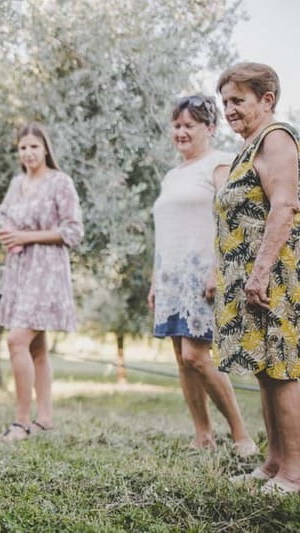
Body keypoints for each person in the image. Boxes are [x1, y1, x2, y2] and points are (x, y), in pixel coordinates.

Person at [148, 94, 257, 456]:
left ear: (209, 128)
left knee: (198, 356)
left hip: (203, 272)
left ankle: (241, 436)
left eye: (189, 125)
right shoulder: (170, 176)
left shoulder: (219, 163)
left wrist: (219, 268)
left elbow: (230, 218)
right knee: (182, 358)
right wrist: (154, 281)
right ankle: (203, 435)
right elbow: (164, 231)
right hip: (170, 277)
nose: (181, 132)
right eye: (176, 125)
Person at [214, 62, 300, 494]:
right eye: (225, 101)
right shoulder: (249, 146)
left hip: (276, 275)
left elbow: (284, 207)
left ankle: (294, 473)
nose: (228, 109)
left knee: (283, 369)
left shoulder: (276, 138)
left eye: (238, 100)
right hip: (250, 277)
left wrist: (260, 272)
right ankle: (272, 463)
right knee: (266, 369)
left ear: (267, 100)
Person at [0, 122, 84, 443]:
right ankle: (44, 419)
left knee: (16, 340)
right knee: (36, 348)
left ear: (45, 148)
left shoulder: (60, 182)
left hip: (47, 272)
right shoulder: (17, 184)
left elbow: (73, 231)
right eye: (22, 148)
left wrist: (26, 236)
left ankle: (21, 422)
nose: (28, 153)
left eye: (33, 146)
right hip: (19, 271)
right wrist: (6, 231)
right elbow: (0, 214)